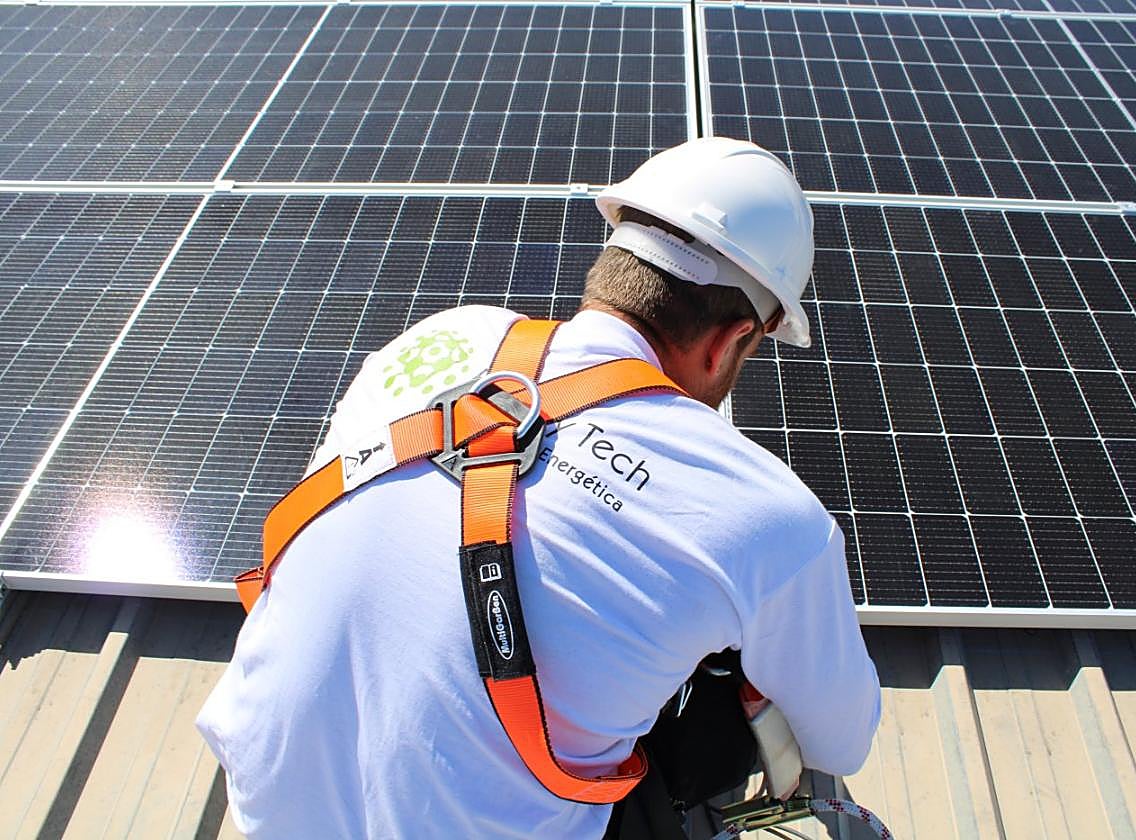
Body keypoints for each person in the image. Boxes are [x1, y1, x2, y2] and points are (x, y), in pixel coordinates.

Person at [196, 137, 880, 839]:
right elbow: (840, 742)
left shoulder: (443, 333)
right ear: (729, 341)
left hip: (267, 804)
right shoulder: (767, 513)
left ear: (614, 265)